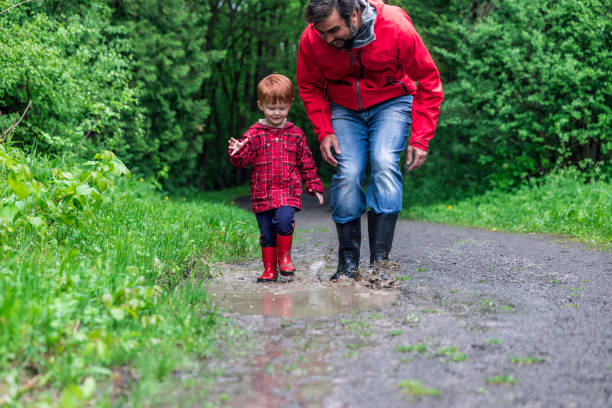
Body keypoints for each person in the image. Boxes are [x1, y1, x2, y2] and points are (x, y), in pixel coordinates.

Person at [297, 0, 444, 281]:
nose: (328, 38)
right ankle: (348, 264)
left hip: (392, 101)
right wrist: (324, 130)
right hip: (343, 107)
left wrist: (421, 137)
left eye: (333, 30)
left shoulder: (396, 26)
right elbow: (309, 85)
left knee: (384, 160)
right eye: (322, 32)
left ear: (354, 15)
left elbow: (428, 80)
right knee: (349, 170)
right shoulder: (312, 38)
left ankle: (380, 263)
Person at [228, 73, 324, 282]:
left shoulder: (295, 134)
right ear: (261, 105)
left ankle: (285, 258)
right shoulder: (254, 133)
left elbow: (306, 162)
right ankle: (269, 270)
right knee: (267, 233)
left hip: (287, 191)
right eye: (271, 108)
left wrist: (314, 185)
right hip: (262, 193)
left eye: (282, 108)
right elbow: (243, 159)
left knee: (284, 220)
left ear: (290, 104)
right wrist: (236, 151)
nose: (277, 113)